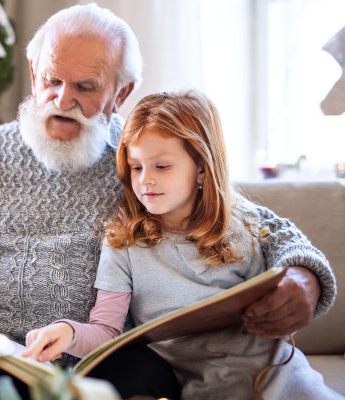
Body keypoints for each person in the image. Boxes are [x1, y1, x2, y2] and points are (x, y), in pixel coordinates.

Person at [0, 4, 335, 398]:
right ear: (34, 74)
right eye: (51, 80)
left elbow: (256, 221)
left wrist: (304, 277)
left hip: (103, 355)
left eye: (84, 86)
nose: (63, 100)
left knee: (148, 381)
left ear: (119, 95)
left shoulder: (141, 162)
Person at [22, 90, 341, 399]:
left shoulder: (245, 222)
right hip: (200, 386)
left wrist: (301, 280)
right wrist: (68, 334)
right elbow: (107, 332)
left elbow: (294, 248)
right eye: (136, 167)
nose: (145, 179)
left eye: (162, 166)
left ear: (201, 168)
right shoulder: (123, 242)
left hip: (279, 374)